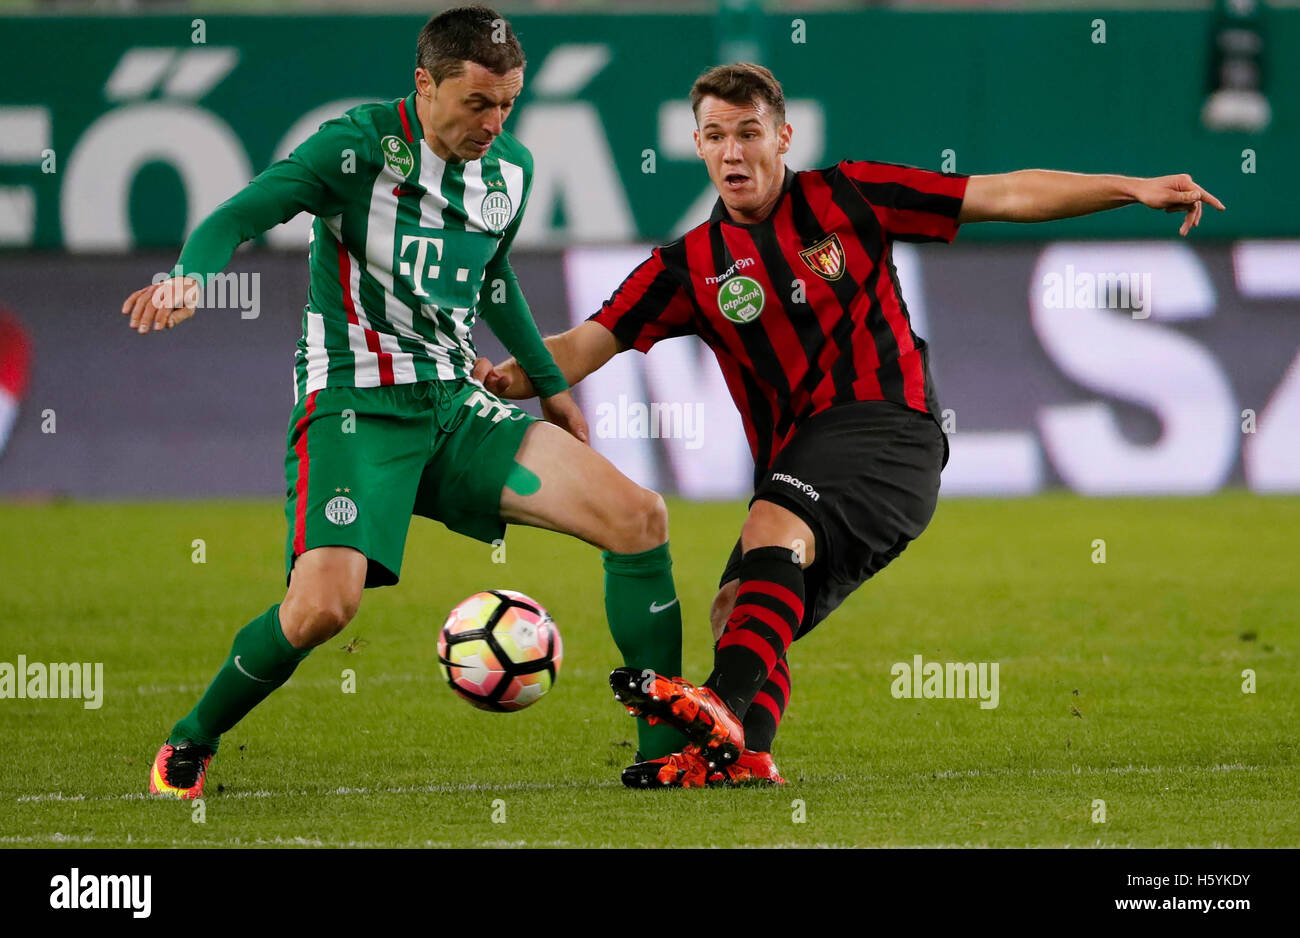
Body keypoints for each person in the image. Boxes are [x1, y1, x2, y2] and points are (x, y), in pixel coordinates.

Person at [475, 62, 1225, 788]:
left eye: (748, 132)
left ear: (784, 137)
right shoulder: (687, 267)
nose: (732, 151)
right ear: (697, 145)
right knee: (740, 607)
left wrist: (1130, 189)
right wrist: (518, 374)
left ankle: (717, 706)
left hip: (890, 431)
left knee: (772, 528)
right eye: (714, 136)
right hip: (809, 460)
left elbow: (1004, 193)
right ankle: (744, 754)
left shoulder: (852, 196)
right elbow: (588, 340)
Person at [122, 6, 687, 799]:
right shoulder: (354, 150)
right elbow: (245, 211)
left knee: (639, 519)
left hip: (455, 409)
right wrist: (192, 273)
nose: (494, 123)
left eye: (508, 104)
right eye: (476, 103)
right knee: (323, 608)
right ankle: (190, 741)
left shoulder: (511, 171)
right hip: (355, 409)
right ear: (425, 85)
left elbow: (490, 277)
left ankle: (664, 755)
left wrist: (552, 388)